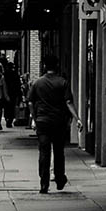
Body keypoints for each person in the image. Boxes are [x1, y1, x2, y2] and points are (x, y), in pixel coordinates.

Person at [27, 54, 82, 194]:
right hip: (59, 122)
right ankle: (59, 178)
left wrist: (34, 117)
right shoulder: (63, 82)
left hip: (42, 122)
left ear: (44, 66)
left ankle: (44, 183)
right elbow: (68, 102)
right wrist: (77, 118)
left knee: (44, 152)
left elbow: (30, 102)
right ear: (56, 66)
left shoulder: (37, 83)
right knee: (58, 152)